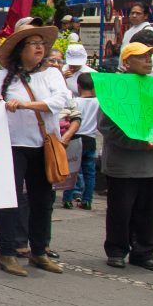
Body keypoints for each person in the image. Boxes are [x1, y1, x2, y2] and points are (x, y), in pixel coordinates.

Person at [0, 19, 70, 277]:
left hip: (42, 146)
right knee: (10, 201)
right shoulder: (2, 78)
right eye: (33, 44)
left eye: (41, 44)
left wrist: (25, 106)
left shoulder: (52, 74)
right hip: (12, 146)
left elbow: (59, 101)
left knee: (43, 200)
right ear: (20, 49)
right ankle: (8, 252)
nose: (39, 48)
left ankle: (39, 251)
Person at [100, 41, 153, 271]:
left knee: (147, 210)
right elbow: (107, 128)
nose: (147, 61)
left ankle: (143, 252)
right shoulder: (114, 87)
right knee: (120, 210)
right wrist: (139, 144)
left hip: (151, 163)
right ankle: (117, 250)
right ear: (127, 61)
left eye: (150, 57)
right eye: (142, 57)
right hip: (123, 164)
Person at [64, 73, 100, 210]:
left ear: (78, 86)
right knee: (89, 171)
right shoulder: (98, 102)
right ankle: (87, 200)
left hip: (75, 137)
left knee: (72, 169)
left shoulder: (75, 102)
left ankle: (68, 199)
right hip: (90, 138)